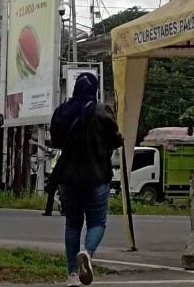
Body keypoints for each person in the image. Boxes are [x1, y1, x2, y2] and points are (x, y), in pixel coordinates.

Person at [50, 72, 123, 287]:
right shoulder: (102, 111)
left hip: (68, 178)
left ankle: (72, 275)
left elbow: (56, 141)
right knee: (97, 222)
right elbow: (115, 140)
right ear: (95, 89)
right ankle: (87, 253)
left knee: (72, 224)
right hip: (97, 176)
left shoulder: (62, 111)